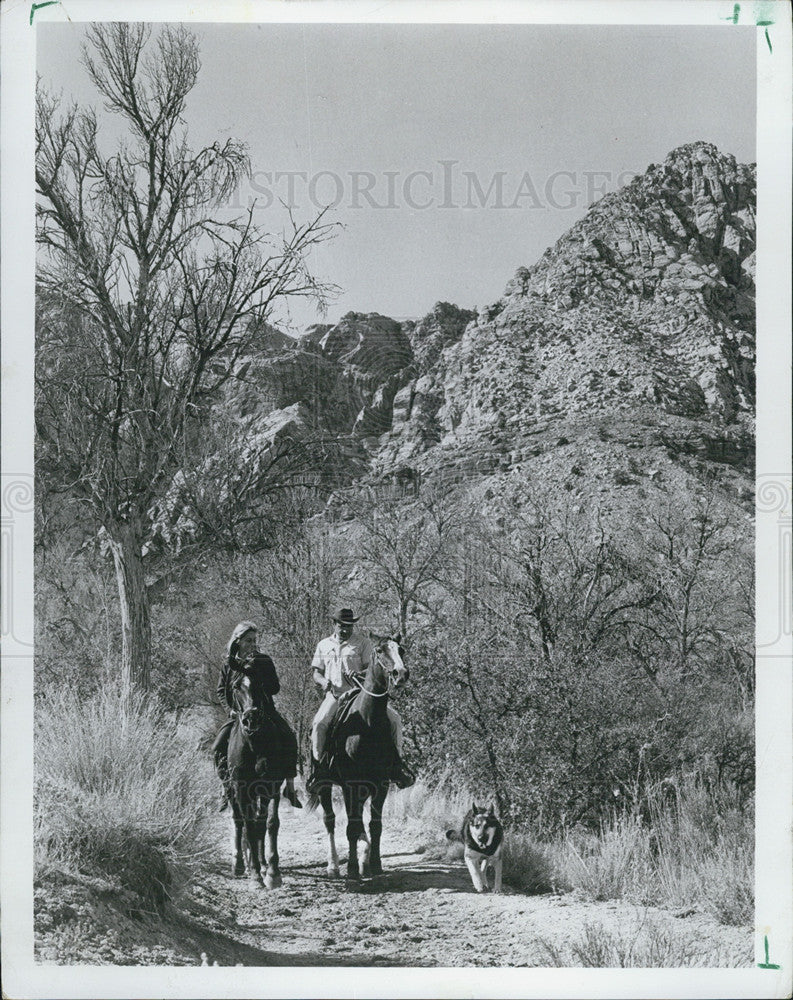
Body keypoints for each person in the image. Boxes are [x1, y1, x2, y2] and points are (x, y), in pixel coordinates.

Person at [306, 607, 414, 792]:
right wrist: (324, 682)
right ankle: (319, 769)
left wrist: (358, 673)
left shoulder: (363, 644)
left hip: (359, 693)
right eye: (342, 625)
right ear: (335, 624)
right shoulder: (323, 645)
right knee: (319, 723)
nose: (346, 629)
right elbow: (317, 672)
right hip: (335, 695)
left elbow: (372, 668)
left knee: (395, 719)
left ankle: (398, 766)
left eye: (349, 626)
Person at [212, 621, 302, 810]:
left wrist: (259, 676)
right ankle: (226, 788)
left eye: (254, 641)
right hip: (238, 713)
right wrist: (230, 708)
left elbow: (275, 688)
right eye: (248, 641)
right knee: (218, 746)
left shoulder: (264, 660)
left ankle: (290, 788)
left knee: (289, 736)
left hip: (265, 711)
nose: (252, 645)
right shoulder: (228, 664)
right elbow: (221, 690)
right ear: (238, 641)